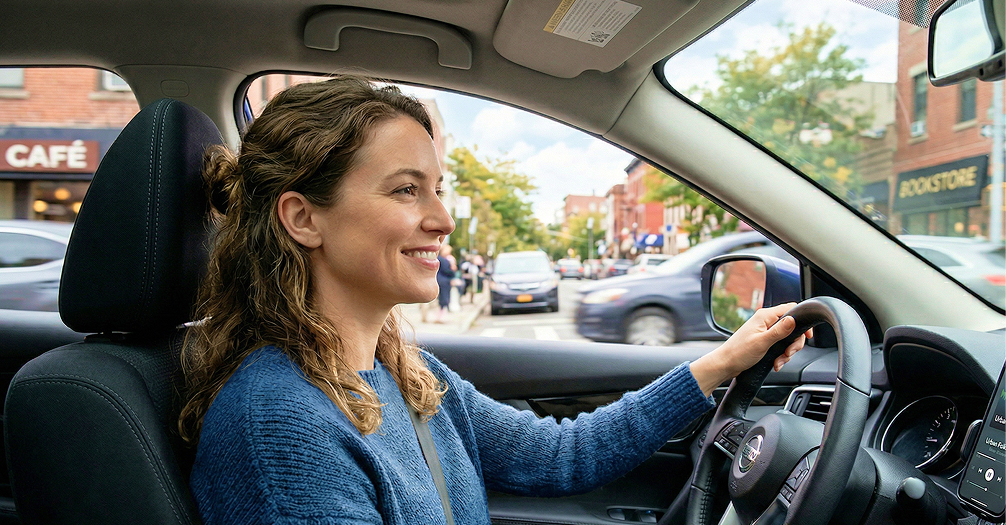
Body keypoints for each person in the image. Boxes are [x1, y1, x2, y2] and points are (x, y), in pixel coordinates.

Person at [179, 75, 808, 525]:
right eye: (405, 190)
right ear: (303, 218)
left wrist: (719, 365)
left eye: (438, 189)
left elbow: (558, 455)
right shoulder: (280, 427)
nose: (443, 219)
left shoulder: (400, 372)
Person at [435, 243, 456, 322]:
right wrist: (453, 268)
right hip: (444, 281)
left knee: (441, 300)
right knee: (443, 300)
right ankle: (440, 317)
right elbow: (448, 271)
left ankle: (439, 316)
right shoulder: (444, 260)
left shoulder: (438, 259)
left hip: (439, 280)